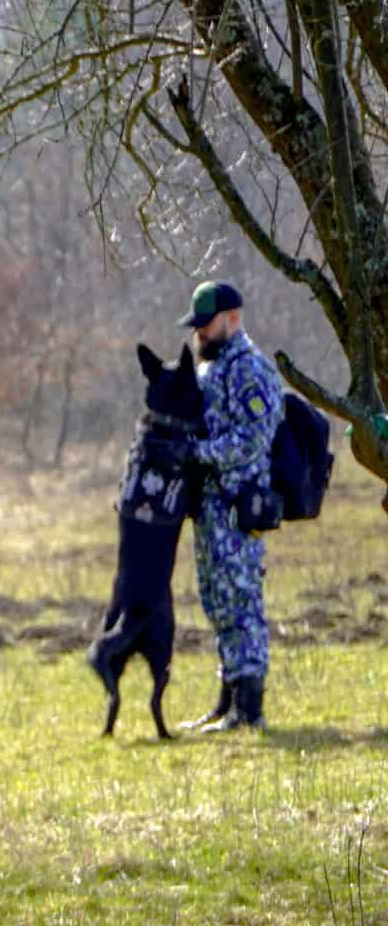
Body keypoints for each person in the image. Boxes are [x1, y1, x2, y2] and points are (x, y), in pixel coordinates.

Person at [177, 280, 282, 732]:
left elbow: (256, 437)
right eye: (197, 325)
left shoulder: (249, 369)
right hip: (210, 511)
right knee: (217, 602)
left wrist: (199, 453)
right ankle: (227, 701)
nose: (200, 332)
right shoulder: (210, 370)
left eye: (207, 323)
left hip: (240, 508)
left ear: (232, 319)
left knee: (241, 603)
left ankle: (249, 707)